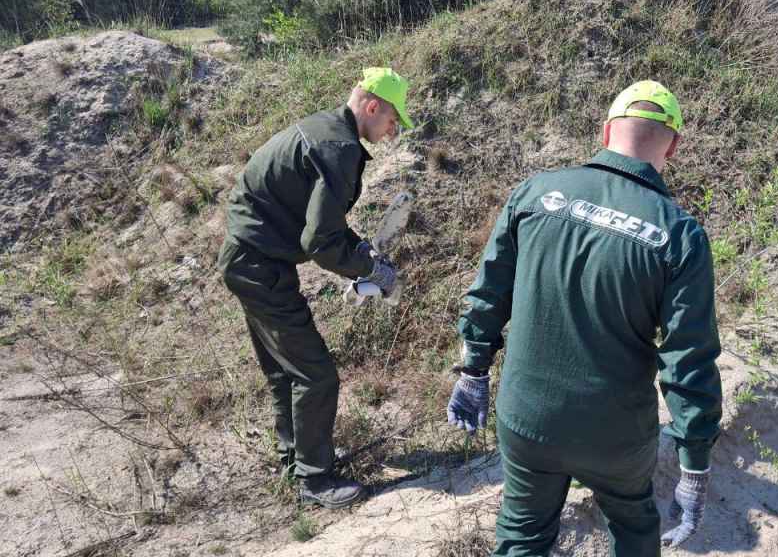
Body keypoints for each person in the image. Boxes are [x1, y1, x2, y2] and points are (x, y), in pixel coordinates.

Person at [446, 81, 723, 555]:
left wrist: (473, 369)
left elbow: (489, 293)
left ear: (605, 130)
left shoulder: (535, 193)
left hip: (527, 417)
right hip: (615, 436)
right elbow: (688, 360)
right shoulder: (680, 236)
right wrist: (694, 464)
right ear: (673, 146)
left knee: (522, 535)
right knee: (634, 528)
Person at [218, 67, 413, 509]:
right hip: (260, 265)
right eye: (391, 121)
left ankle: (297, 462)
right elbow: (319, 243)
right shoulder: (339, 149)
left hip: (252, 258)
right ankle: (316, 482)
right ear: (372, 106)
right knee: (316, 374)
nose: (392, 132)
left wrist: (363, 254)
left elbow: (322, 225)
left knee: (285, 371)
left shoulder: (324, 130)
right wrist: (371, 268)